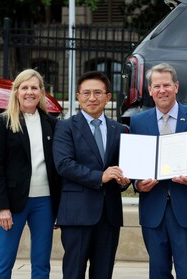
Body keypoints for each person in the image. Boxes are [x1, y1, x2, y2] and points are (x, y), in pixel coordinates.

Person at [129, 63, 187, 279]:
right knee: (158, 273)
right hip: (153, 210)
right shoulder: (138, 121)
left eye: (167, 85)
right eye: (156, 86)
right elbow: (135, 163)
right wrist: (138, 183)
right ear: (149, 90)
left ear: (176, 86)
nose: (162, 90)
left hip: (185, 208)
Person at [53, 71, 130, 278]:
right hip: (77, 214)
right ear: (78, 96)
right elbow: (64, 164)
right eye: (86, 93)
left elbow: (124, 167)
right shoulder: (65, 127)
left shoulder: (120, 129)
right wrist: (100, 177)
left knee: (103, 273)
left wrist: (124, 180)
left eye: (98, 92)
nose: (92, 98)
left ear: (108, 97)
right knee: (73, 272)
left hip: (109, 215)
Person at [0, 69, 60, 278]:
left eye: (34, 87)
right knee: (5, 261)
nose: (29, 92)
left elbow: (58, 168)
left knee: (41, 263)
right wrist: (2, 207)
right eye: (25, 87)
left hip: (44, 203)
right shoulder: (3, 122)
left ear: (41, 92)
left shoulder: (52, 124)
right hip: (12, 204)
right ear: (16, 91)